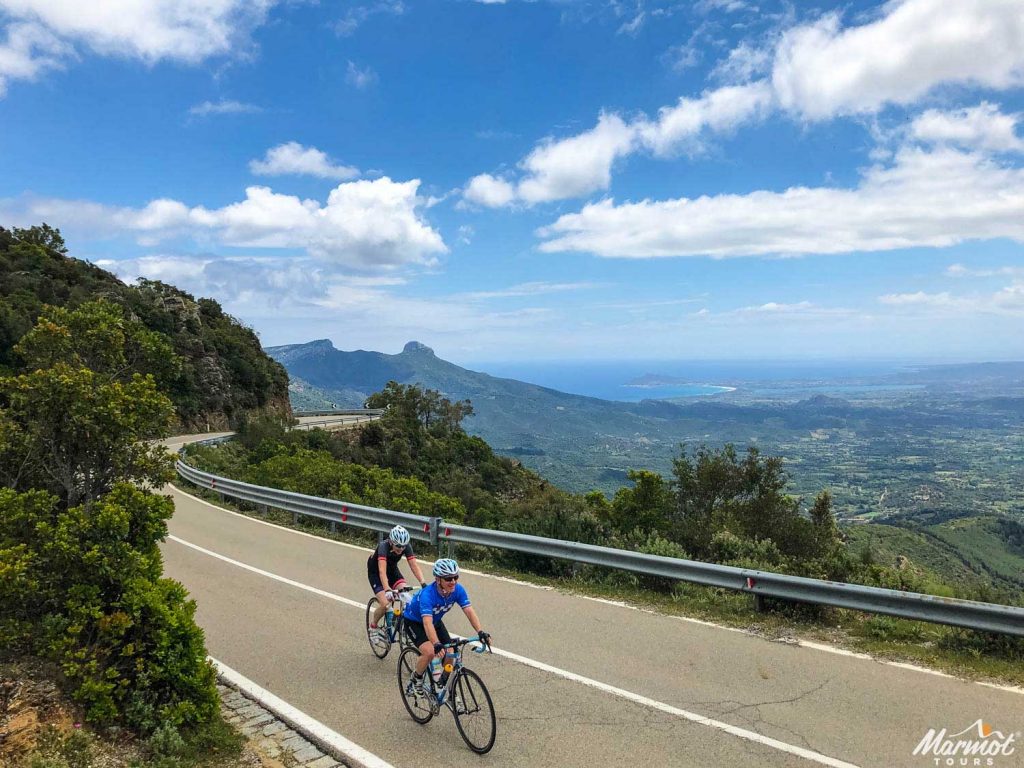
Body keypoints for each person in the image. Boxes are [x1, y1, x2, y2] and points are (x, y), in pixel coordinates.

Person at [403, 558, 490, 698]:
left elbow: (469, 611)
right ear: (438, 580)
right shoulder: (428, 595)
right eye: (449, 578)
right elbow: (426, 623)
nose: (453, 582)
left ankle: (442, 683)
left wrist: (480, 632)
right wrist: (436, 643)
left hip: (435, 621)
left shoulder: (458, 590)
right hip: (414, 622)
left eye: (456, 577)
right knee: (430, 652)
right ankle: (416, 680)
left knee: (451, 652)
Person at [367, 525, 426, 633]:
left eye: (403, 546)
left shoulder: (405, 546)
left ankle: (397, 620)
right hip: (376, 572)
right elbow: (382, 571)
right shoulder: (383, 546)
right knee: (385, 604)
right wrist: (387, 589)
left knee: (407, 597)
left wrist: (423, 583)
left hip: (392, 570)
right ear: (391, 541)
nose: (401, 549)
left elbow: (414, 565)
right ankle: (373, 626)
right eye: (398, 546)